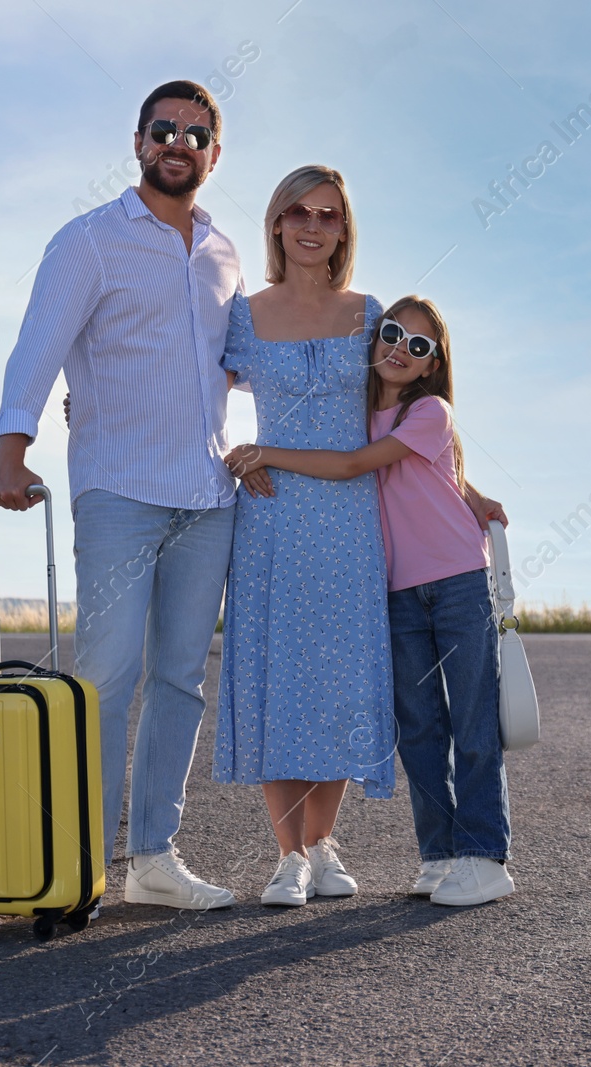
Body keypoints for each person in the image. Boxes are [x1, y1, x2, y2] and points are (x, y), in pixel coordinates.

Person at [0, 80, 240, 911]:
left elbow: (231, 366)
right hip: (119, 490)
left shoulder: (224, 252)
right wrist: (10, 451)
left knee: (179, 680)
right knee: (105, 673)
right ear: (138, 143)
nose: (179, 144)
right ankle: (81, 864)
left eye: (196, 135)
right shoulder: (89, 241)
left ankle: (154, 858)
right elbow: (39, 348)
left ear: (213, 153)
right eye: (164, 130)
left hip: (207, 495)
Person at [226, 294, 516, 906]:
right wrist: (476, 493)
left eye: (418, 346)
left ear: (433, 363)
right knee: (418, 728)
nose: (399, 350)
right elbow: (445, 476)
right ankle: (439, 856)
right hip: (398, 590)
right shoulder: (358, 412)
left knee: (471, 721)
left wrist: (265, 451)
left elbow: (358, 465)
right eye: (391, 334)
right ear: (373, 338)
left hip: (458, 580)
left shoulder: (430, 410)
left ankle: (485, 856)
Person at [211, 165, 395, 907]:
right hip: (273, 515)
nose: (313, 226)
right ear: (277, 223)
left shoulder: (369, 311)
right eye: (299, 212)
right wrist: (228, 453)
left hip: (350, 516)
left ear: (343, 228)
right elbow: (197, 396)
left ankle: (323, 844)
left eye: (328, 214)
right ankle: (287, 854)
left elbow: (405, 412)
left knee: (341, 674)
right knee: (275, 674)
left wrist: (466, 487)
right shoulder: (245, 314)